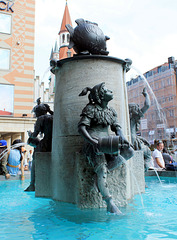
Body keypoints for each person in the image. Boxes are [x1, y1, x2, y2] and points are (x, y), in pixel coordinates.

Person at [78, 82, 134, 214]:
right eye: (107, 90)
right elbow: (81, 128)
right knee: (101, 167)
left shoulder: (111, 111)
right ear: (100, 95)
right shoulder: (90, 108)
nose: (111, 91)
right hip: (93, 140)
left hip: (108, 140)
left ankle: (101, 176)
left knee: (130, 151)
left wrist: (123, 138)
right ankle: (110, 202)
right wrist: (92, 141)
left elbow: (117, 128)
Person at [25, 98, 53, 191]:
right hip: (53, 143)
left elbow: (35, 134)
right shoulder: (52, 117)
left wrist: (30, 135)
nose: (35, 114)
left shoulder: (41, 119)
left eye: (36, 112)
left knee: (34, 159)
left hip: (45, 143)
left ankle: (32, 184)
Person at [129, 87, 151, 171]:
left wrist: (141, 138)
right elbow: (147, 105)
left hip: (132, 140)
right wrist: (146, 94)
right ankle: (144, 169)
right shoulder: (134, 117)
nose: (138, 109)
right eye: (136, 107)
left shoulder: (127, 118)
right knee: (148, 153)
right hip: (133, 142)